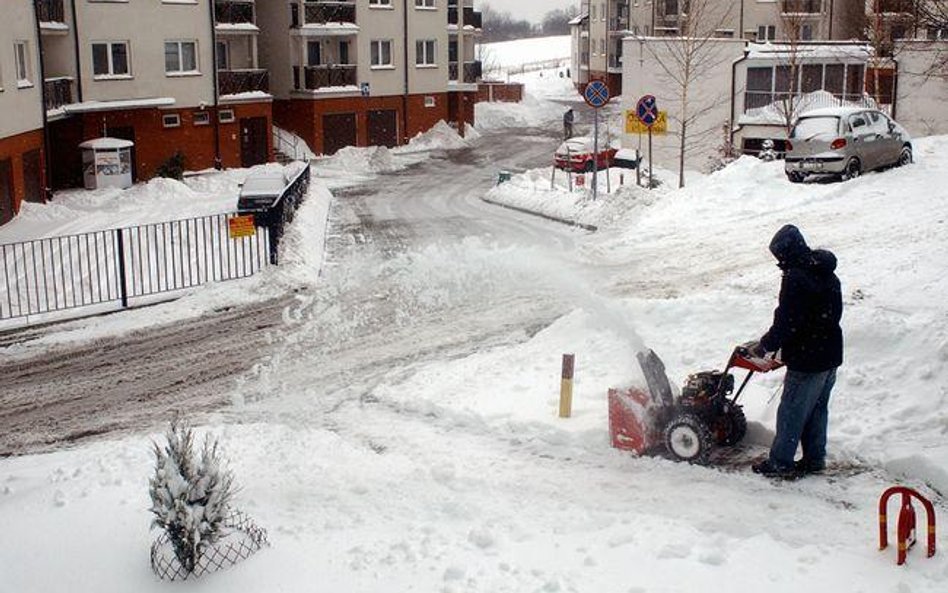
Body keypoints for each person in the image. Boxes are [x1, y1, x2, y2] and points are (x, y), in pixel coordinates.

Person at [749, 225, 843, 479]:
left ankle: (780, 462)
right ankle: (814, 460)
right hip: (830, 353)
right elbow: (827, 314)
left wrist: (766, 345)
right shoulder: (825, 271)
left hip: (808, 357)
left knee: (792, 410)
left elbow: (787, 320)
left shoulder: (796, 277)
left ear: (786, 251)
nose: (779, 261)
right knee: (817, 410)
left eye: (779, 255)